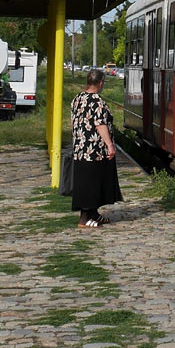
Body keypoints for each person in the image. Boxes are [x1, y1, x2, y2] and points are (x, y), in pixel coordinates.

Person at [69, 68, 122, 228]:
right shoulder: (97, 101)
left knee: (86, 182)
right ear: (100, 83)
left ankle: (93, 215)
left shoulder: (77, 98)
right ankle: (85, 219)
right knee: (93, 184)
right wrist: (110, 145)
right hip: (94, 150)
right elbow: (100, 125)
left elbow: (73, 122)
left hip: (80, 149)